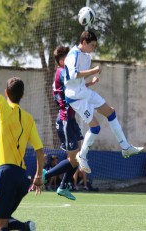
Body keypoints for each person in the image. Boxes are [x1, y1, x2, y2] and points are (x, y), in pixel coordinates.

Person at [0, 30, 45, 231]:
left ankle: (25, 228)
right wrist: (38, 177)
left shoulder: (4, 109)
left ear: (6, 93)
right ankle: (26, 228)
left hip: (6, 172)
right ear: (22, 95)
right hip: (21, 177)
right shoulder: (28, 118)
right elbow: (40, 150)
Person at [63, 30, 144, 174]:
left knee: (110, 111)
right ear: (84, 42)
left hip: (84, 92)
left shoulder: (86, 57)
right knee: (95, 127)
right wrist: (93, 71)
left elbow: (78, 79)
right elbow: (72, 75)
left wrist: (89, 82)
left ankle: (125, 147)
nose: (94, 48)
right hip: (76, 98)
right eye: (92, 45)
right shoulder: (72, 55)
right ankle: (82, 155)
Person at [43, 45, 98, 200]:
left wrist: (90, 84)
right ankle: (47, 175)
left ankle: (63, 186)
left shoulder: (63, 73)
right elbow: (75, 78)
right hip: (65, 120)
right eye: (67, 59)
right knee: (74, 159)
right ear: (61, 61)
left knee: (77, 156)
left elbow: (75, 87)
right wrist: (92, 70)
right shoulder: (61, 72)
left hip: (71, 120)